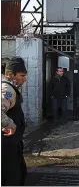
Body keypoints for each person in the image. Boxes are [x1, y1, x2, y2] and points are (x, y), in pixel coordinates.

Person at [1, 57, 28, 185]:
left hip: (12, 143)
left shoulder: (10, 87)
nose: (24, 79)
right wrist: (10, 124)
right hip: (7, 145)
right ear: (10, 74)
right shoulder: (7, 90)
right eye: (22, 75)